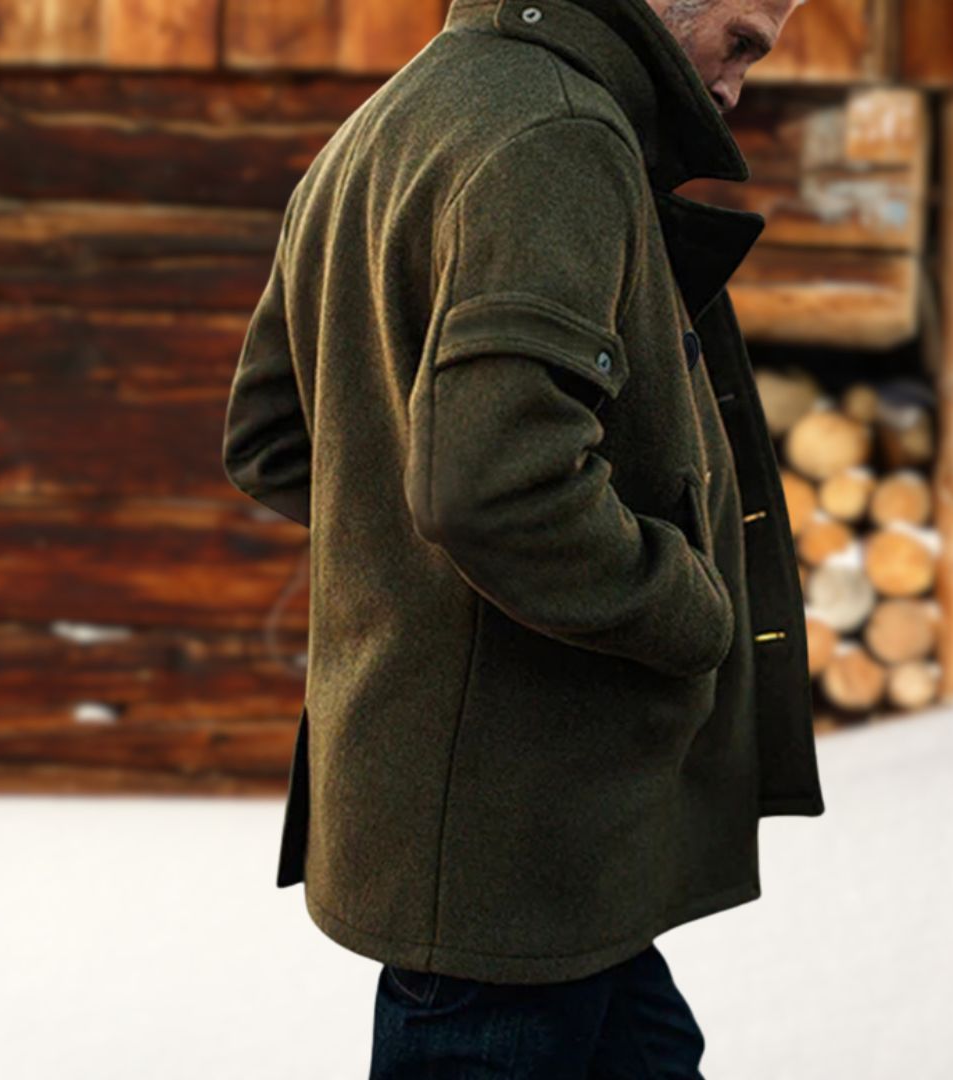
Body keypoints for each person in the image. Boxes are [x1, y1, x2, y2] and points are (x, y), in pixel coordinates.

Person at [221, 0, 823, 1074]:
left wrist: (415, 535)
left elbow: (274, 435)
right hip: (513, 841)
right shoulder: (559, 137)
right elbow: (495, 488)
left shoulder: (396, 113)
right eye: (739, 42)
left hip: (542, 836)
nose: (736, 86)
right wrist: (690, 610)